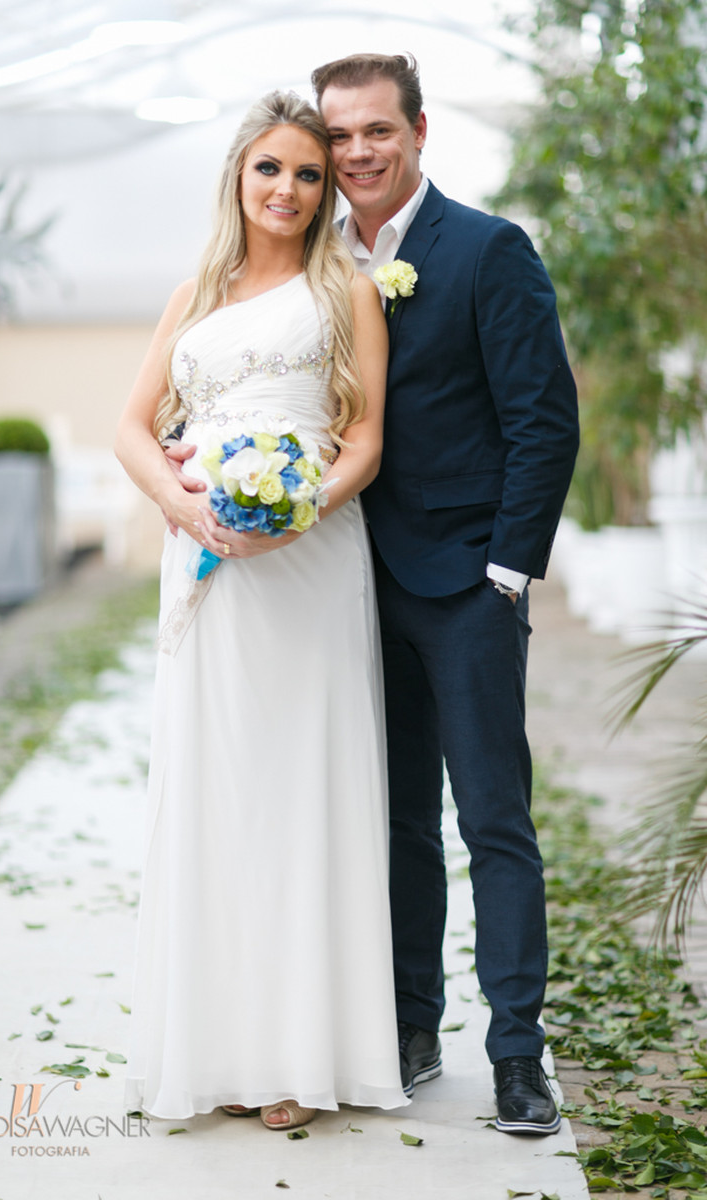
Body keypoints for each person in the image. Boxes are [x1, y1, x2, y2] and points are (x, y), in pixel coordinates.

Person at [114, 90, 405, 1132]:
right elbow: (133, 427)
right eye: (269, 169)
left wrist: (294, 514)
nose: (287, 189)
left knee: (294, 791)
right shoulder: (194, 291)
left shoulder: (350, 291)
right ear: (238, 178)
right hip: (201, 560)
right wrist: (181, 503)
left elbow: (364, 443)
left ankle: (292, 1057)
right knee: (217, 788)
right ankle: (215, 1046)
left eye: (307, 174)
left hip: (307, 561)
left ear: (326, 193)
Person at [310, 53, 580, 1135]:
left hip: (466, 585)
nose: (358, 154)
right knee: (392, 825)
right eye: (340, 137)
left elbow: (542, 419)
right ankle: (409, 1026)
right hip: (344, 585)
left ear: (417, 132)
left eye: (377, 130)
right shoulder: (316, 262)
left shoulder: (486, 248)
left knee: (491, 821)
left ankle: (516, 1056)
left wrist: (506, 574)